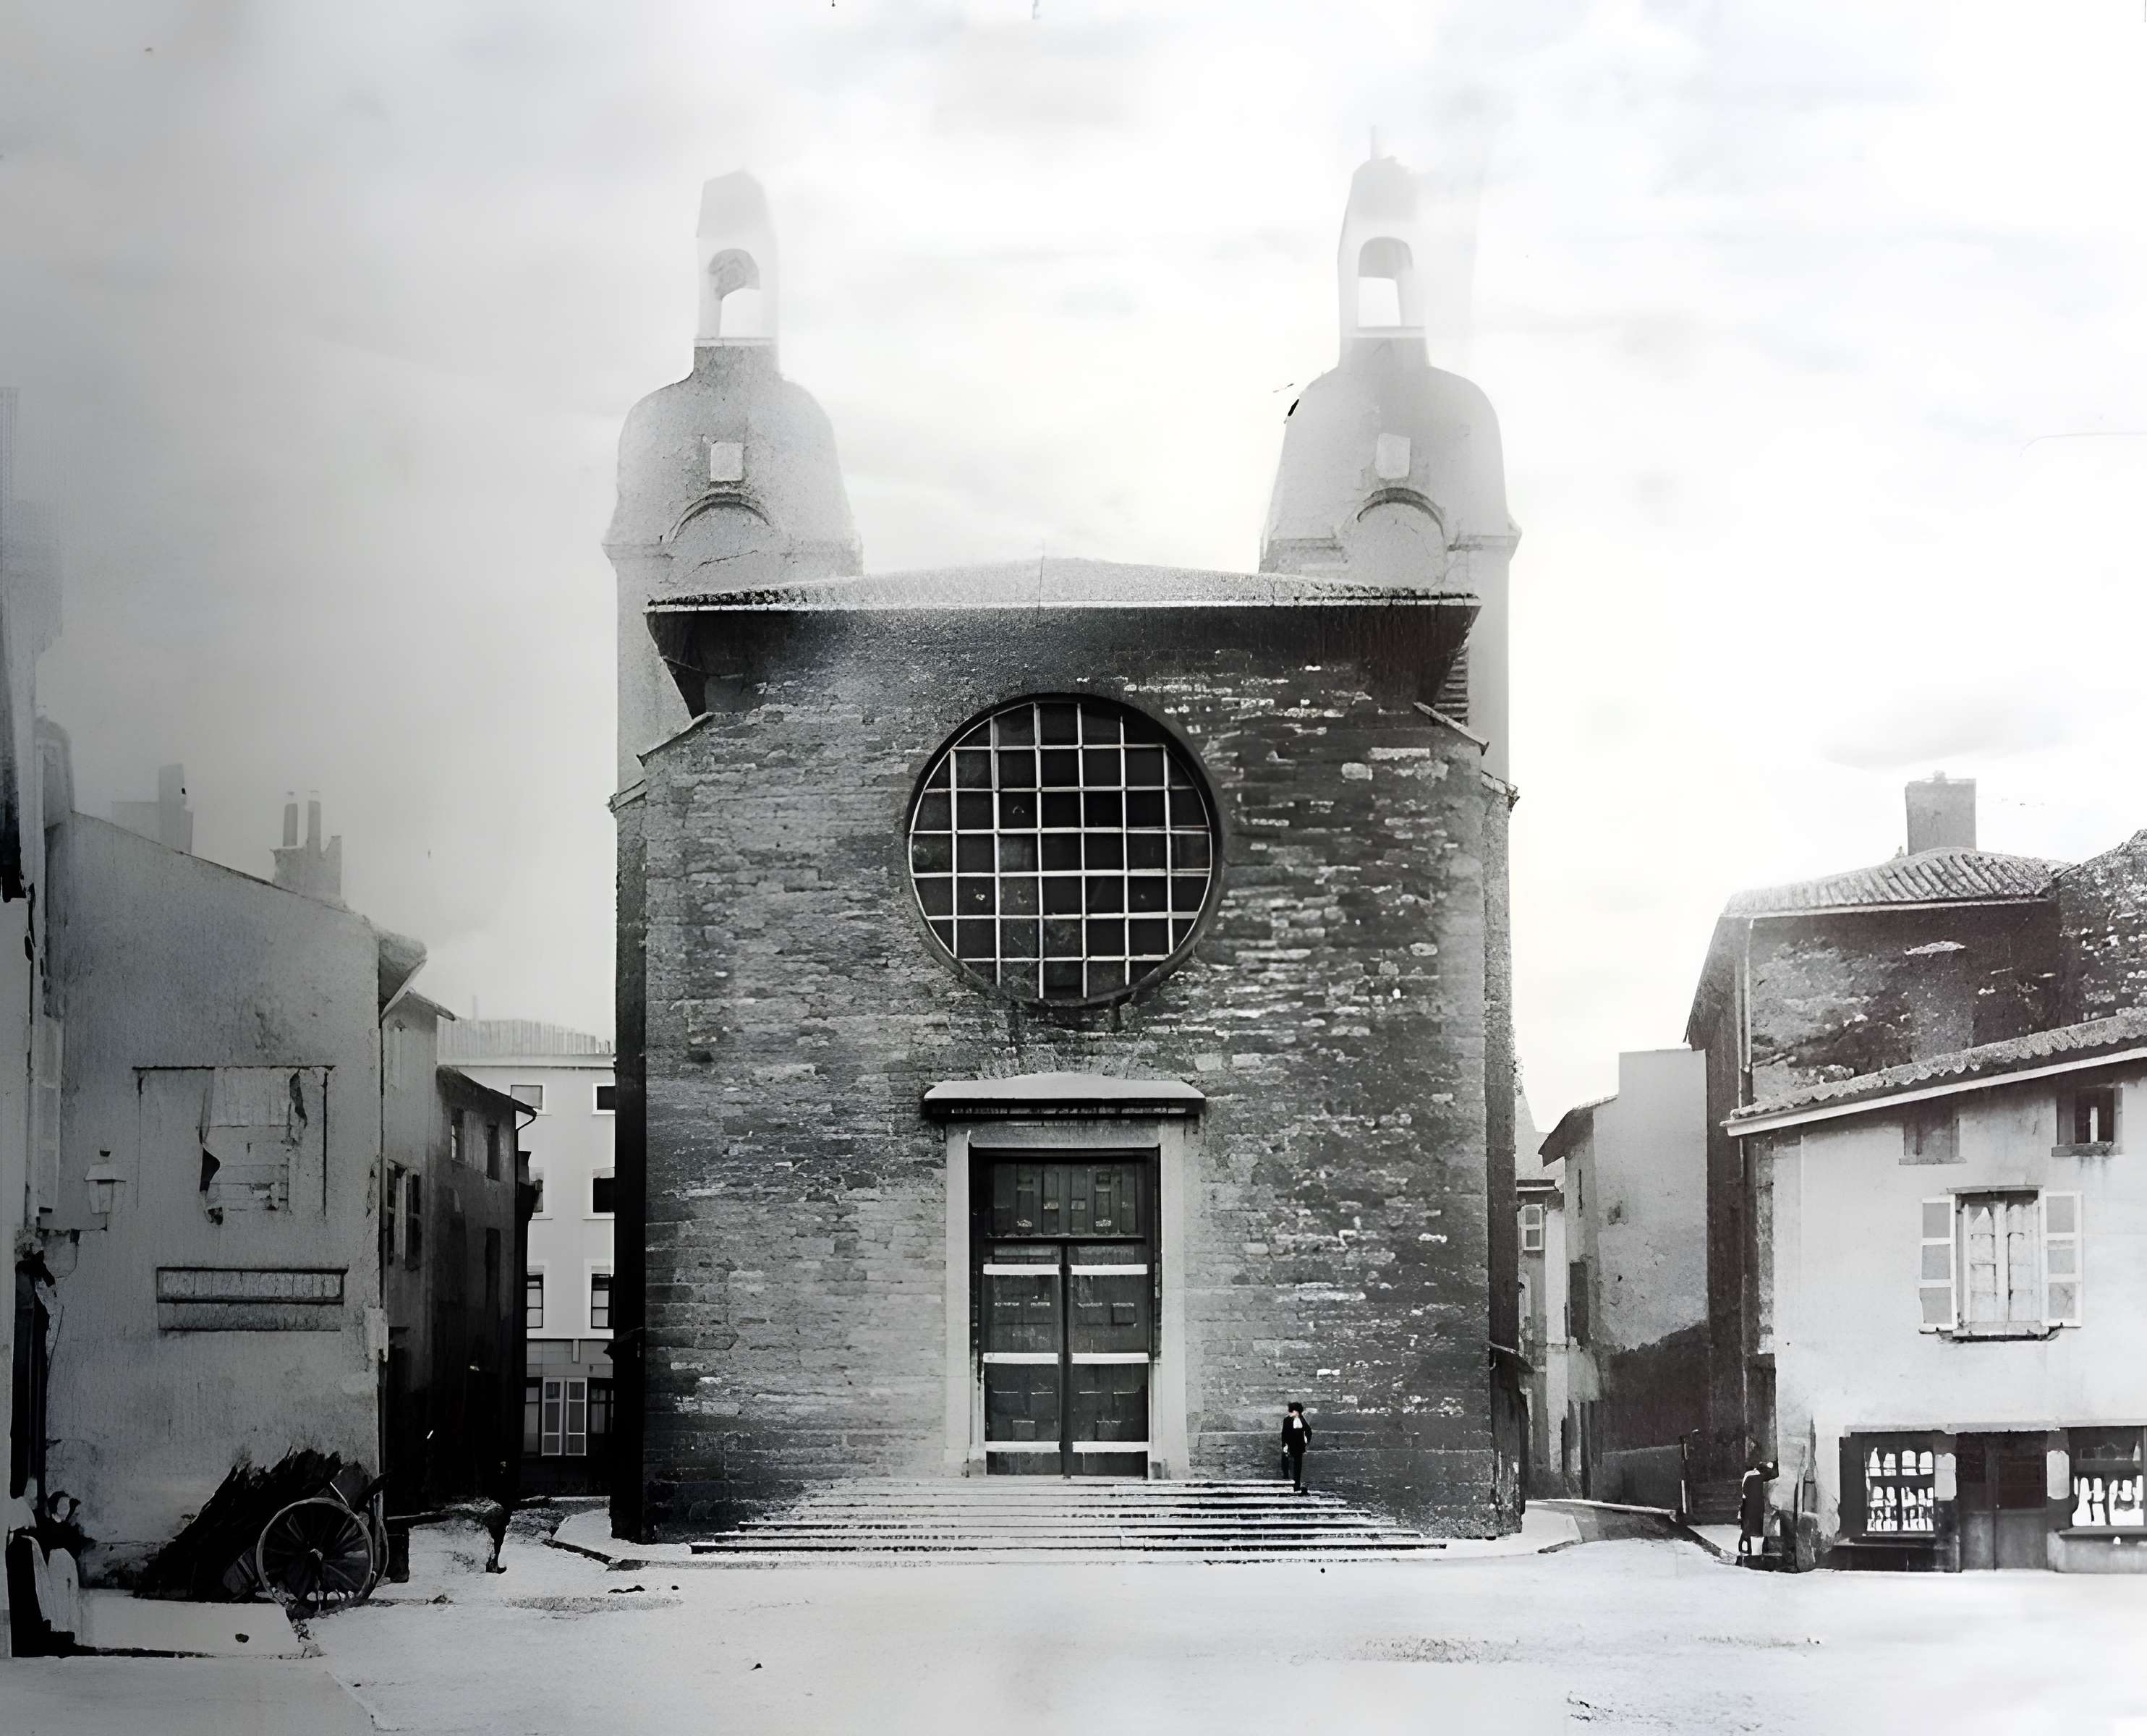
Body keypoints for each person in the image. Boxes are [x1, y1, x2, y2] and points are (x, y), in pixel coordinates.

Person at [1738, 1462, 1773, 1560]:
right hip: (1759, 1505)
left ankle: (1747, 1547)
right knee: (1758, 1528)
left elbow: (1744, 1490)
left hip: (1749, 1503)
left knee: (1748, 1526)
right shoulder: (1762, 1479)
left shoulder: (1749, 1475)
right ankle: (1758, 1550)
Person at [1280, 1403, 1314, 1494]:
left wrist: (1306, 1440)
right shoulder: (1287, 1420)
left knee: (1298, 1467)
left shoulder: (1302, 1420)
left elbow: (1309, 1431)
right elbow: (1284, 1434)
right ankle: (1289, 1483)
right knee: (1289, 1466)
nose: (1291, 1413)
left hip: (1299, 1447)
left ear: (1298, 1412)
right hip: (1290, 1446)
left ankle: (1297, 1485)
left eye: (1293, 1411)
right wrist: (1285, 1445)